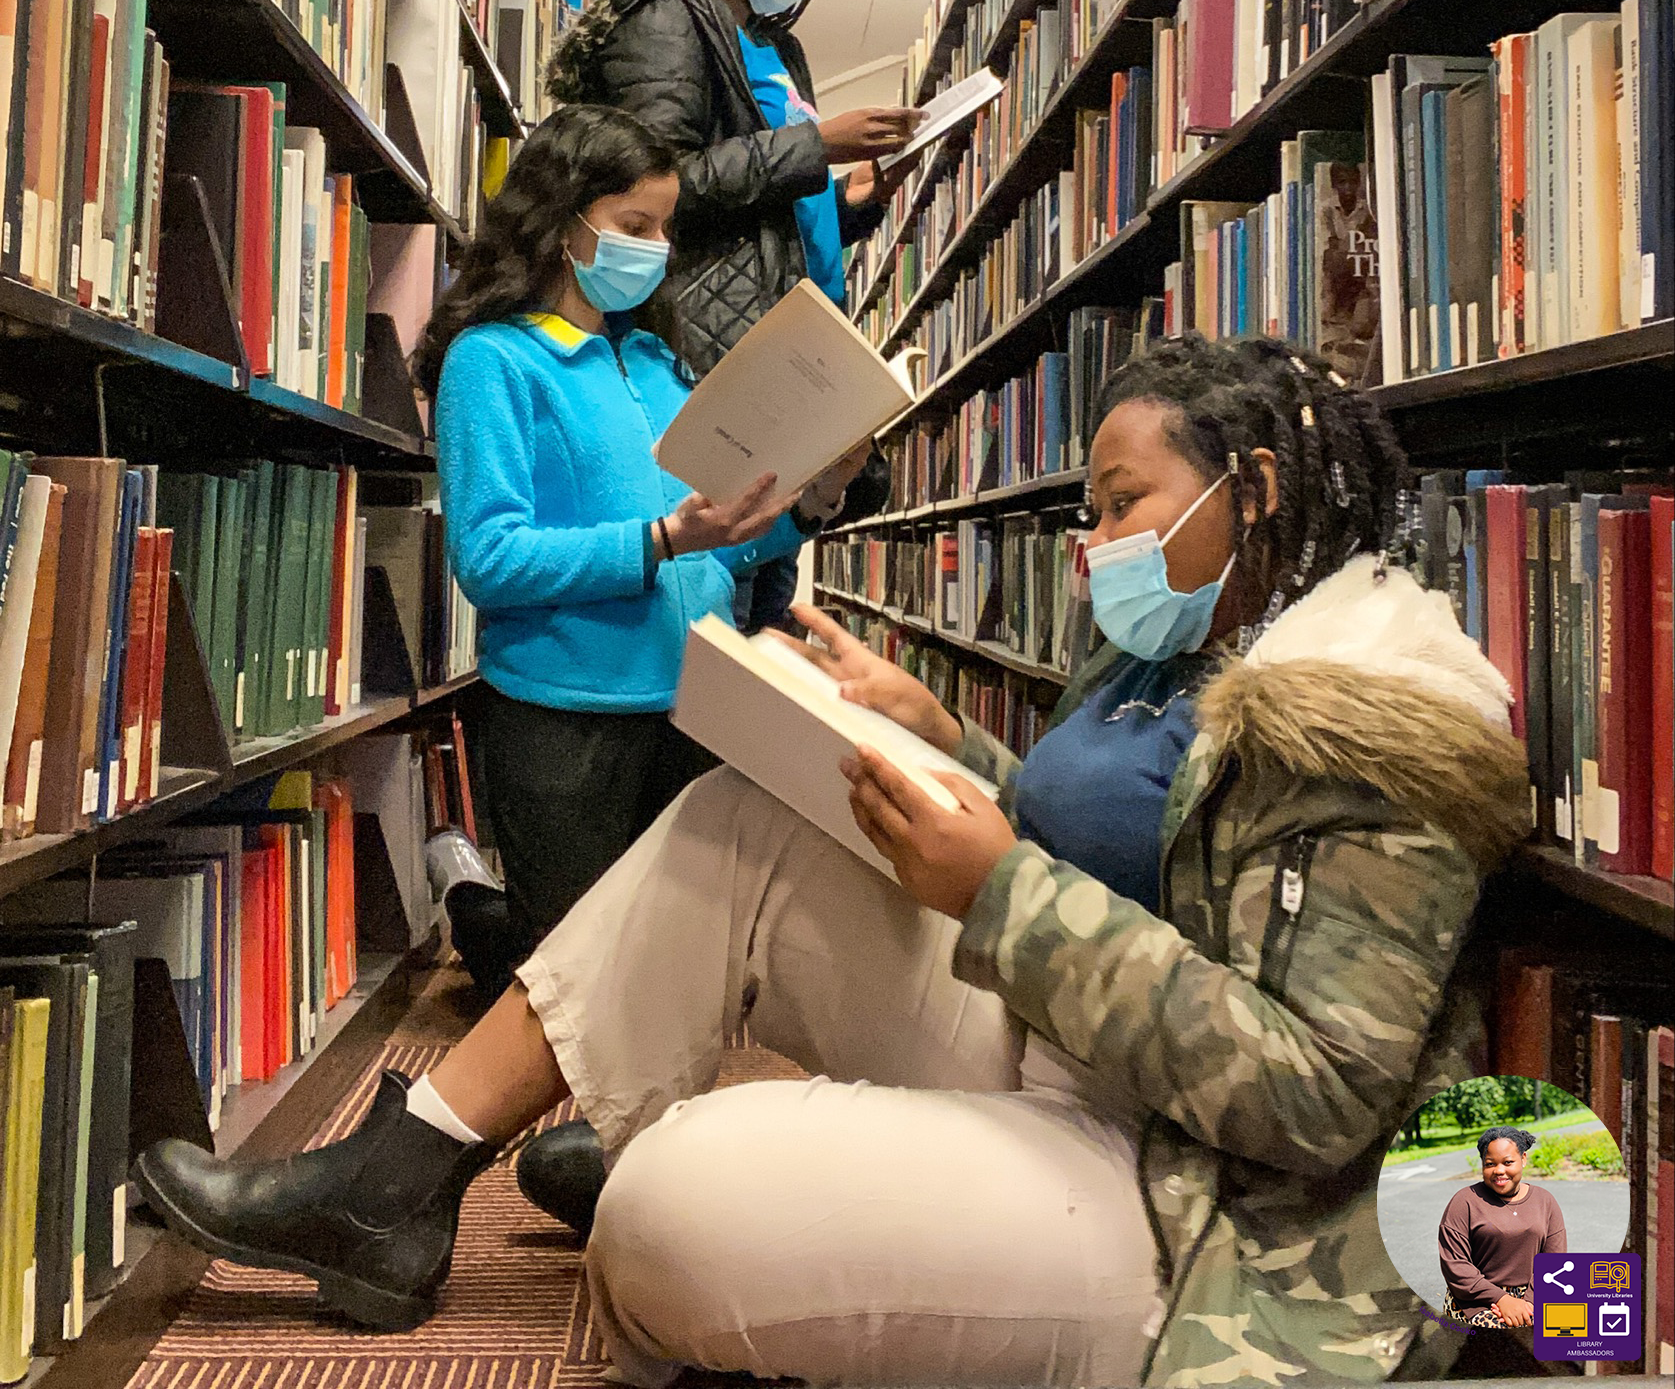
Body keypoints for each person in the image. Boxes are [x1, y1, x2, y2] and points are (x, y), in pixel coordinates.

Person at [135, 335, 1532, 1388]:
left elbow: (1314, 1099)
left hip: (1197, 1210)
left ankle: (649, 1156)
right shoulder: (1177, 638)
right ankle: (400, 1179)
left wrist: (997, 891)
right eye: (1087, 509)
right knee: (738, 822)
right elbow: (1136, 852)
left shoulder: (1367, 716)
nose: (1086, 542)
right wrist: (944, 744)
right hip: (1071, 1051)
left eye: (1118, 504)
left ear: (1258, 489)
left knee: (668, 1210)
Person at [410, 104, 850, 1001]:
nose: (654, 248)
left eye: (662, 228)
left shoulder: (656, 361)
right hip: (566, 719)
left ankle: (484, 915)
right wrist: (656, 540)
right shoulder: (493, 361)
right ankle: (481, 921)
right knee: (575, 977)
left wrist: (813, 496)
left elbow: (712, 547)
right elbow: (489, 559)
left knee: (674, 964)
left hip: (692, 705)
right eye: (632, 226)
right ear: (561, 221)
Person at [547, 0, 917, 634]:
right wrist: (817, 147)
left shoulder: (774, 48)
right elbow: (655, 181)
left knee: (760, 589)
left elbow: (770, 209)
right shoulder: (666, 12)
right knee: (719, 600)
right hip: (710, 339)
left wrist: (850, 198)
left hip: (786, 336)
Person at [1438, 1127, 1566, 1329]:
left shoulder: (1545, 1201)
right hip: (1478, 1298)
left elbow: (1555, 1260)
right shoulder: (1464, 1202)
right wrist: (1502, 1299)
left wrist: (1528, 1304)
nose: (1499, 1170)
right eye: (1490, 1164)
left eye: (1508, 1162)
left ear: (1523, 1159)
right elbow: (1455, 1265)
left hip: (1535, 1295)